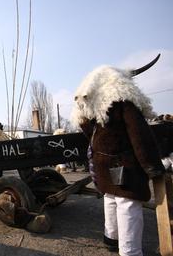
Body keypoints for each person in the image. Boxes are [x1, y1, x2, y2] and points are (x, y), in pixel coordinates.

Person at [71, 55, 165, 255]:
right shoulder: (124, 102)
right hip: (125, 165)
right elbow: (140, 136)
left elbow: (89, 133)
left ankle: (111, 239)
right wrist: (153, 166)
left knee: (111, 198)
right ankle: (130, 251)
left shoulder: (92, 107)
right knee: (127, 205)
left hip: (102, 162)